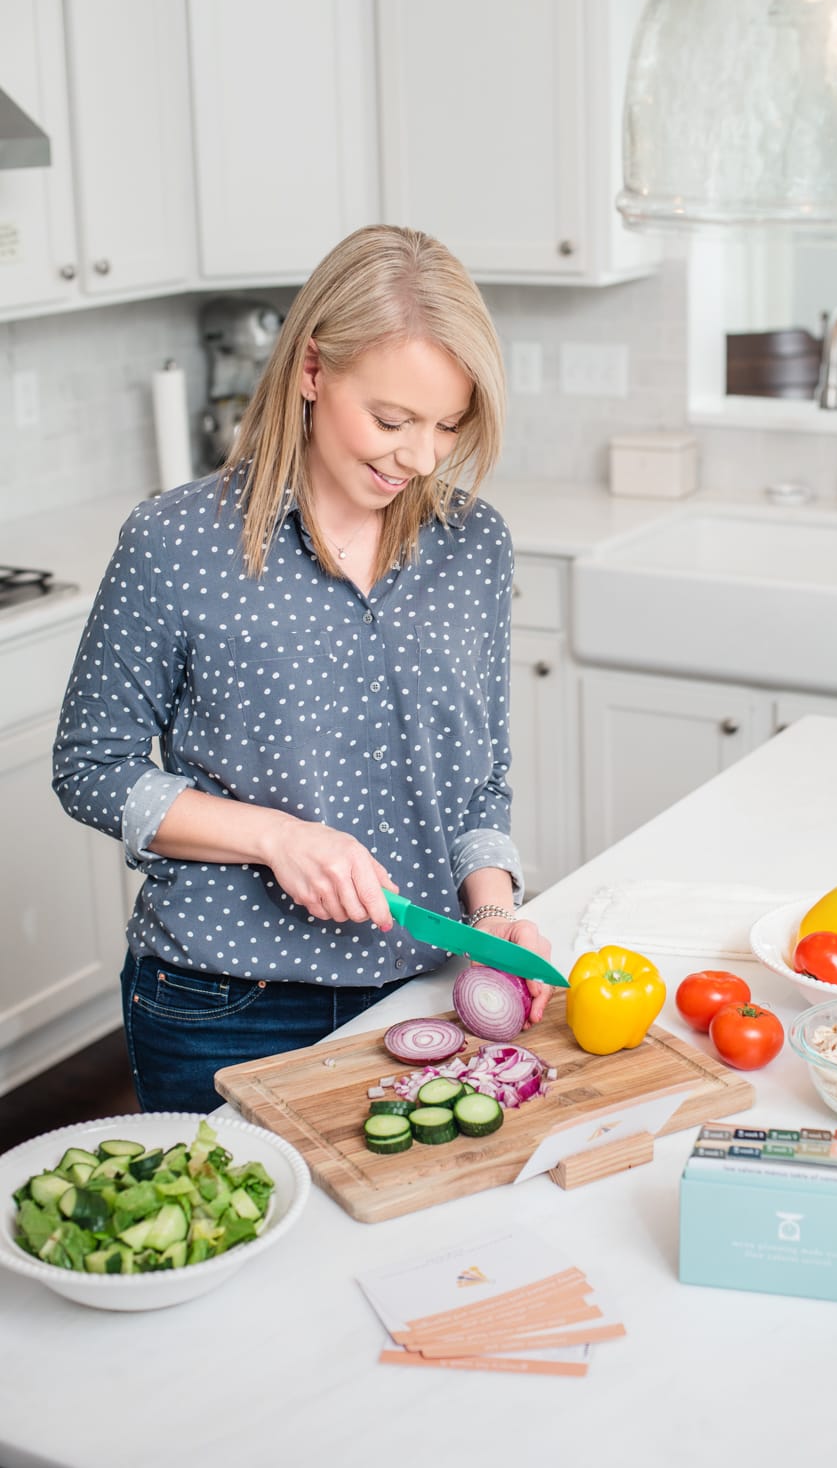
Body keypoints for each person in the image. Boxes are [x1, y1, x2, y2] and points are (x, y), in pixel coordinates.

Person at [53, 224, 553, 1114]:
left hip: (424, 993)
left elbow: (481, 782)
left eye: (448, 425)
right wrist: (276, 837)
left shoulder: (475, 545)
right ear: (313, 372)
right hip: (221, 1006)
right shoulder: (177, 542)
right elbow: (91, 768)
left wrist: (492, 913)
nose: (420, 456)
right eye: (393, 420)